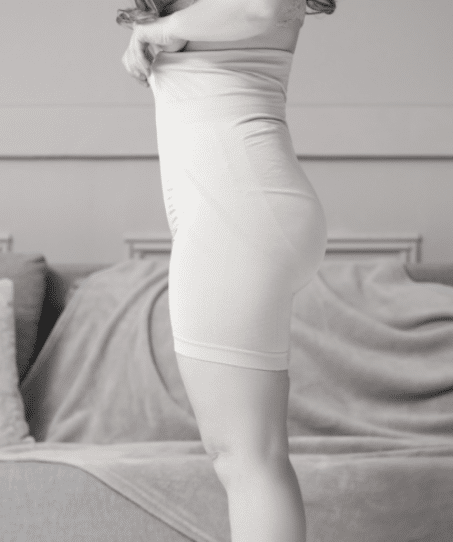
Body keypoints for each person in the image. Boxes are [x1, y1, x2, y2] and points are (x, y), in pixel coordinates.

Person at [117, 1, 336, 540]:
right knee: (250, 455)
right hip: (250, 209)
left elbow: (262, 7)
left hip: (235, 214)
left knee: (246, 458)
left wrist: (162, 29)